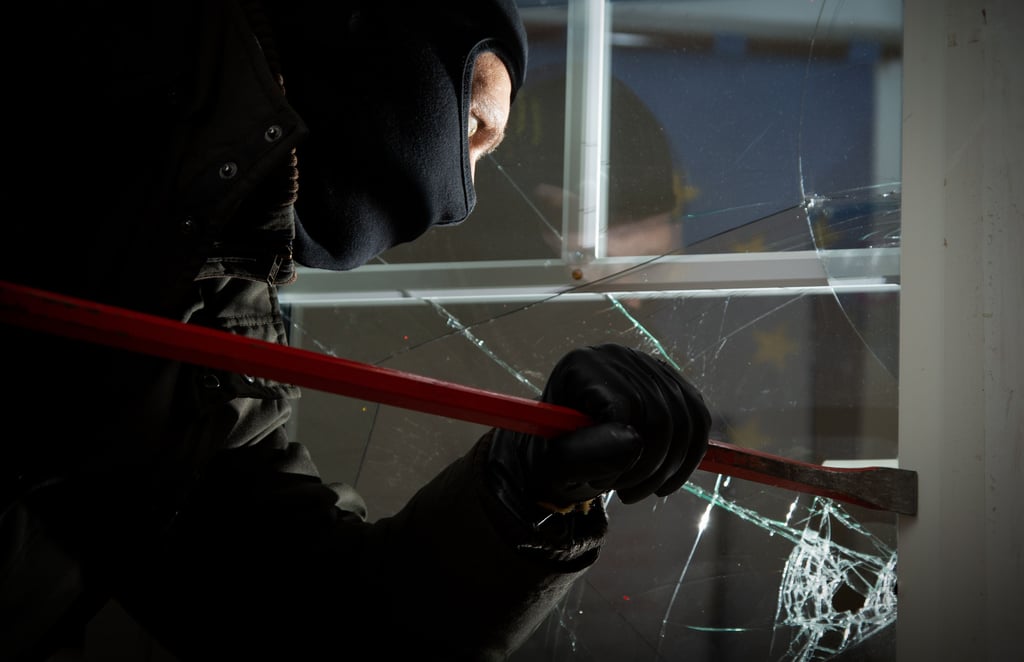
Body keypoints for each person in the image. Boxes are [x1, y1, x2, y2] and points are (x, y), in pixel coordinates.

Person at [0, 1, 711, 660]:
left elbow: (315, 616)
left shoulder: (210, 314)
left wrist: (527, 492)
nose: (461, 201)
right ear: (377, 41)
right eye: (472, 128)